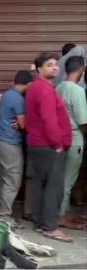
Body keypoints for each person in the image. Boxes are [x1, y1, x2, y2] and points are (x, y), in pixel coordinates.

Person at [26, 52, 72, 242]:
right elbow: (49, 119)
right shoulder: (44, 89)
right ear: (39, 69)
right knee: (53, 187)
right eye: (49, 65)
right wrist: (57, 144)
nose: (54, 67)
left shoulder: (37, 87)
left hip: (38, 144)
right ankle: (50, 227)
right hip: (48, 145)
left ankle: (39, 221)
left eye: (55, 64)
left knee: (40, 184)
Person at [0, 71, 33, 225]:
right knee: (13, 180)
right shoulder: (18, 99)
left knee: (5, 178)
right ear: (28, 84)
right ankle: (4, 215)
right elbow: (24, 124)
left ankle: (1, 211)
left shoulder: (7, 95)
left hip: (1, 141)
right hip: (11, 143)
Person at [56, 56, 87, 230]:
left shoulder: (59, 87)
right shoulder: (77, 90)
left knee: (61, 179)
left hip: (60, 140)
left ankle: (64, 213)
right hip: (74, 140)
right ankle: (61, 217)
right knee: (68, 181)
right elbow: (83, 121)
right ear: (81, 70)